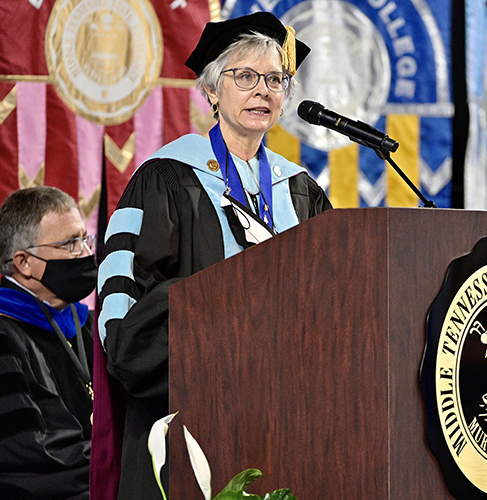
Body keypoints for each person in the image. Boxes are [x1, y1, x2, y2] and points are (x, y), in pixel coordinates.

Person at [94, 12, 332, 499]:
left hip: (289, 418)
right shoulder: (165, 178)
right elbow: (125, 310)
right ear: (211, 91)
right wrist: (226, 317)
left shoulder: (303, 191)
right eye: (244, 77)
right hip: (187, 419)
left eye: (275, 79)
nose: (262, 90)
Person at [0, 186, 97, 499]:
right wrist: (113, 461)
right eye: (70, 244)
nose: (85, 254)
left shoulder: (90, 325)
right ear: (24, 262)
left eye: (84, 239)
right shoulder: (3, 335)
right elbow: (24, 448)